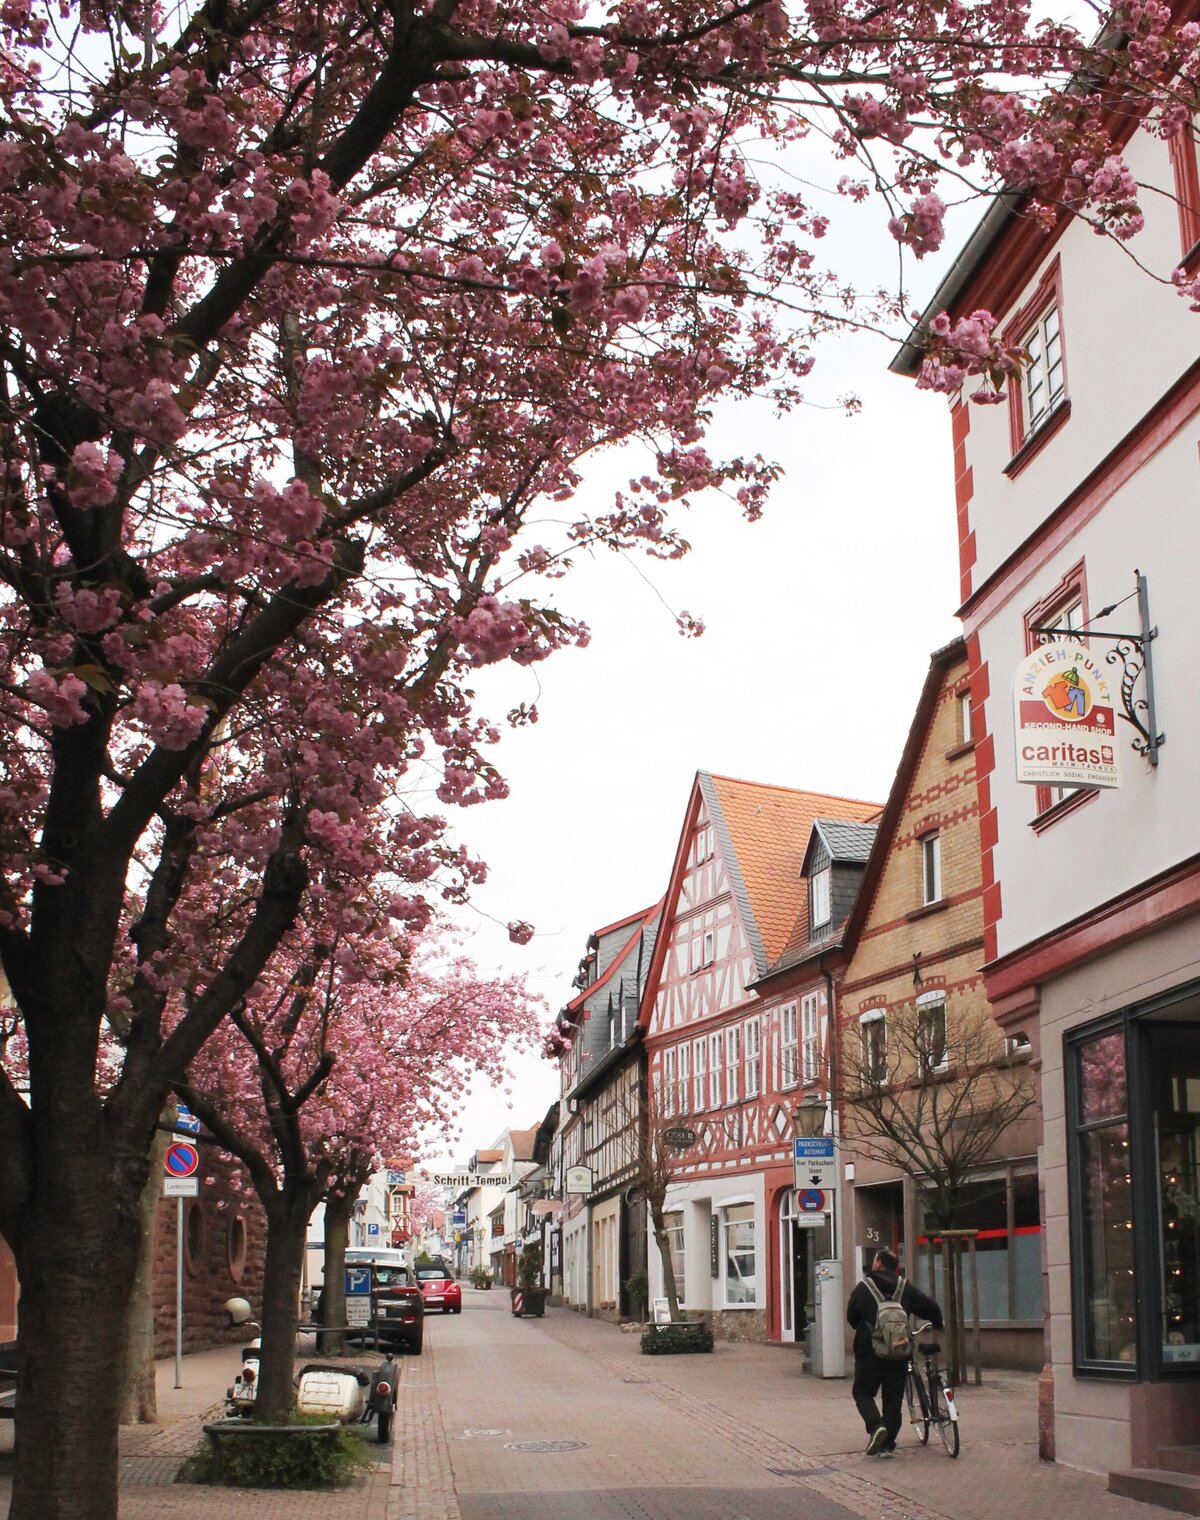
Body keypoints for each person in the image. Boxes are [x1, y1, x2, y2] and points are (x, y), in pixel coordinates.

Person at [846, 1247, 943, 1458]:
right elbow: (931, 1307)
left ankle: (875, 1427)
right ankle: (888, 1444)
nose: (872, 1264)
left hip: (869, 1351)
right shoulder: (905, 1287)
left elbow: (852, 1318)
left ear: (879, 1263)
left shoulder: (863, 1287)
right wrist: (938, 1324)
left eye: (874, 1261)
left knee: (863, 1393)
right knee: (893, 1398)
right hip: (898, 1350)